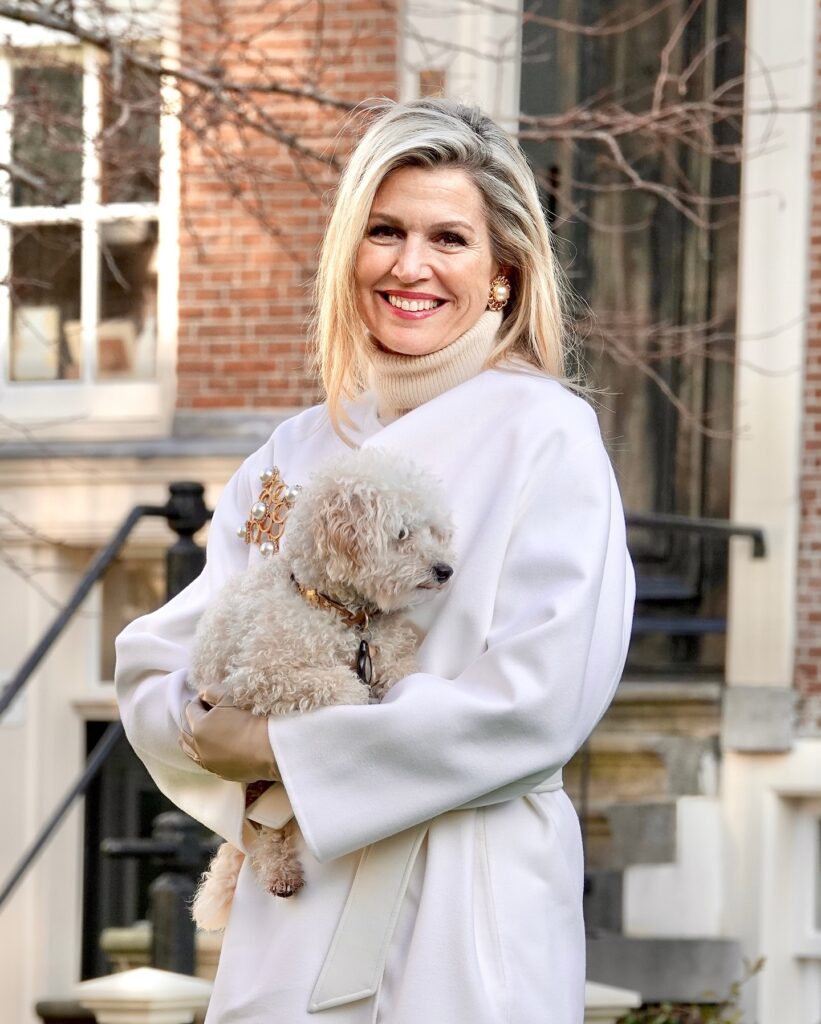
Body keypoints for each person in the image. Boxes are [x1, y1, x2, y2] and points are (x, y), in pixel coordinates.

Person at [115, 97, 635, 1024]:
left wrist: (287, 745)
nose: (409, 266)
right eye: (383, 231)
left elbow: (537, 701)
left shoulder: (546, 433)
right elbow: (170, 655)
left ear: (504, 272)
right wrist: (200, 726)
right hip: (293, 897)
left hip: (466, 898)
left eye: (448, 239)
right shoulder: (296, 448)